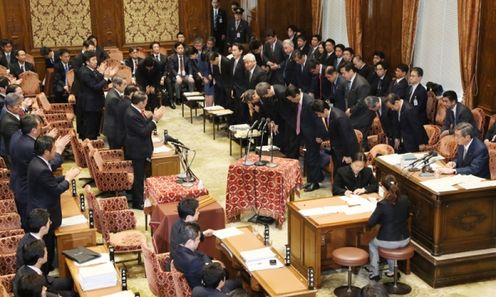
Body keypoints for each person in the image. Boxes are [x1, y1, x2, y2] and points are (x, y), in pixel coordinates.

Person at [27, 136, 80, 273]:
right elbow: (55, 190)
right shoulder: (41, 168)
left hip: (37, 205)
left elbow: (49, 180)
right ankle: (46, 271)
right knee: (47, 244)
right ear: (46, 152)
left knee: (48, 242)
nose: (56, 151)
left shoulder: (37, 161)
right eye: (54, 149)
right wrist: (68, 179)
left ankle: (48, 266)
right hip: (44, 211)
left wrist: (64, 176)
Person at [10, 115, 69, 230]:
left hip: (18, 181)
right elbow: (45, 166)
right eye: (40, 126)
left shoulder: (18, 135)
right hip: (27, 188)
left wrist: (45, 140)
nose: (42, 128)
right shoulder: (30, 147)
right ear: (33, 130)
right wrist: (59, 151)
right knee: (32, 225)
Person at [124, 91, 166, 209]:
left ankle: (140, 198)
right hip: (137, 150)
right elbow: (143, 132)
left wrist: (152, 117)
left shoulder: (135, 110)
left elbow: (142, 125)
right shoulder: (132, 114)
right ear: (141, 103)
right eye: (146, 101)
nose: (147, 103)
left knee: (141, 175)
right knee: (138, 177)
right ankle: (138, 203)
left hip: (140, 147)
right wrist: (155, 120)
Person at [368, 175, 410, 281]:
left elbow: (370, 222)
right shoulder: (405, 199)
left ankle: (375, 273)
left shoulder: (382, 204)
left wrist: (381, 219)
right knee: (391, 246)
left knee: (372, 244)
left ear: (382, 187)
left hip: (388, 240)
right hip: (405, 238)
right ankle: (393, 271)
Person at [286, 85, 323, 192]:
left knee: (313, 157)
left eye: (292, 99)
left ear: (297, 95)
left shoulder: (309, 102)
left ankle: (315, 183)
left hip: (313, 134)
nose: (292, 101)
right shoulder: (301, 100)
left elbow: (318, 119)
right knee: (309, 157)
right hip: (305, 132)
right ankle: (312, 180)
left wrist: (319, 136)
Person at [312, 99, 358, 172]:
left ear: (325, 110)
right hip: (337, 150)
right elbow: (333, 132)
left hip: (344, 153)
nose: (318, 115)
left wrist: (348, 155)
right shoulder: (330, 114)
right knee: (338, 175)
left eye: (318, 113)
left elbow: (348, 138)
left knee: (344, 175)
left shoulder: (339, 118)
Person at [78, 51, 115, 140]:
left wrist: (107, 76)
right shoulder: (84, 72)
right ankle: (89, 147)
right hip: (89, 105)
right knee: (90, 128)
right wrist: (106, 77)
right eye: (93, 59)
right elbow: (95, 87)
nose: (96, 61)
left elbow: (100, 78)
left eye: (96, 59)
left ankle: (94, 143)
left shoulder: (92, 69)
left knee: (95, 127)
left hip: (96, 103)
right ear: (87, 62)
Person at [103, 76, 128, 149]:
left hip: (114, 128)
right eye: (124, 84)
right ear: (117, 85)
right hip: (114, 129)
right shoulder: (114, 97)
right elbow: (119, 114)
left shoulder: (113, 92)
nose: (125, 87)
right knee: (115, 151)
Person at [0, 93, 23, 159]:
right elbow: (17, 141)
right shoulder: (9, 123)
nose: (20, 107)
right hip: (11, 154)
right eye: (17, 105)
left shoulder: (12, 112)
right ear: (9, 107)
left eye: (20, 104)